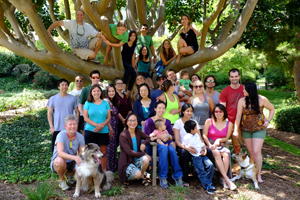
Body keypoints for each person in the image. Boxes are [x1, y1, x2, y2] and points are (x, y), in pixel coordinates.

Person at [234, 82, 275, 183]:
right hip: (246, 129)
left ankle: (259, 175)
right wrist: (235, 129)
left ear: (250, 90)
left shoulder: (262, 99)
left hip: (259, 129)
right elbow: (238, 116)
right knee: (251, 152)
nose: (243, 91)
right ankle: (252, 173)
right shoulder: (242, 101)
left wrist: (268, 121)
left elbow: (272, 109)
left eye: (245, 89)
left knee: (256, 152)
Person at [144, 101, 183, 188]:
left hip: (166, 143)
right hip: (154, 145)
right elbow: (147, 137)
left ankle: (177, 176)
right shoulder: (150, 121)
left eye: (163, 108)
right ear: (155, 109)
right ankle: (163, 177)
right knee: (164, 148)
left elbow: (170, 136)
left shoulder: (168, 122)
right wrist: (158, 138)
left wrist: (167, 136)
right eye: (159, 108)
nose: (161, 110)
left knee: (172, 149)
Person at [173, 103, 214, 186]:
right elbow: (177, 141)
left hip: (196, 145)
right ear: (183, 112)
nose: (189, 113)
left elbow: (199, 137)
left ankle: (208, 177)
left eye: (191, 111)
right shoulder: (178, 122)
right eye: (187, 111)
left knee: (209, 151)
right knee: (184, 153)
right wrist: (186, 147)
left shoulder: (194, 122)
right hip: (183, 146)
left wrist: (204, 147)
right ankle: (185, 179)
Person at [203, 104, 237, 190]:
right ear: (214, 113)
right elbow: (204, 135)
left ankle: (223, 178)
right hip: (209, 144)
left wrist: (219, 140)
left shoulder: (229, 124)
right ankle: (227, 180)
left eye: (220, 111)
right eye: (216, 111)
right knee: (216, 153)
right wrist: (209, 145)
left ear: (224, 112)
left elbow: (226, 138)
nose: (218, 113)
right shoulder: (209, 121)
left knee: (227, 153)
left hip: (220, 144)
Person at [50, 115, 85, 190]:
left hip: (71, 161)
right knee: (60, 160)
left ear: (77, 125)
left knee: (83, 163)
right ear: (65, 126)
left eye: (74, 124)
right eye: (70, 124)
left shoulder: (80, 137)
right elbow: (60, 153)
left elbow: (82, 153)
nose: (73, 126)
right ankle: (62, 181)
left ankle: (69, 177)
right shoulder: (61, 135)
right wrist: (75, 157)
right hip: (58, 162)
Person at [83, 85, 111, 172]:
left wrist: (101, 126)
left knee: (103, 153)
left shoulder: (105, 103)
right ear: (91, 93)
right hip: (90, 131)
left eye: (98, 91)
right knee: (90, 154)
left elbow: (109, 117)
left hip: (103, 131)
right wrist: (96, 125)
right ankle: (91, 173)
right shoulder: (87, 103)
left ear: (101, 92)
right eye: (94, 91)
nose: (96, 93)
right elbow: (85, 118)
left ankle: (104, 173)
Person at [118, 113, 151, 186]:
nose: (132, 123)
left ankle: (142, 176)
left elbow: (148, 138)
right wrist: (144, 154)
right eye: (130, 120)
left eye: (134, 120)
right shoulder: (123, 135)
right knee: (138, 173)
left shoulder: (137, 131)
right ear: (126, 122)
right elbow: (129, 152)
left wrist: (144, 143)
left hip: (136, 161)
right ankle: (142, 176)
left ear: (137, 122)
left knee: (146, 159)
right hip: (126, 163)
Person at [183, 120, 215, 194]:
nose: (197, 129)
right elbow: (184, 145)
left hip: (202, 154)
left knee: (210, 165)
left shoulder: (197, 135)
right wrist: (187, 147)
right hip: (196, 157)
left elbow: (200, 143)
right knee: (201, 171)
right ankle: (207, 185)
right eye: (195, 128)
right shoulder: (187, 137)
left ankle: (209, 182)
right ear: (191, 130)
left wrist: (203, 149)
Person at [47, 79, 79, 152]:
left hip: (70, 129)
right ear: (58, 87)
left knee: (70, 150)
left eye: (66, 85)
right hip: (57, 129)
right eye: (62, 85)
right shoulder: (53, 99)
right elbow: (49, 113)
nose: (65, 86)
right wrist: (51, 127)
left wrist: (76, 125)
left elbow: (77, 112)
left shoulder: (73, 98)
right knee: (56, 151)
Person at [219, 68, 244, 154]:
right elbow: (222, 109)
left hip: (242, 121)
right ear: (229, 78)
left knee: (237, 146)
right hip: (228, 121)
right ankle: (223, 165)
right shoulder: (225, 91)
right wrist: (224, 121)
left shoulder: (245, 90)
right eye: (232, 77)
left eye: (236, 76)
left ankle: (238, 165)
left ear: (239, 77)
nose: (234, 78)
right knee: (221, 144)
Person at [105, 84, 122, 172]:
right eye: (109, 91)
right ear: (107, 92)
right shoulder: (106, 101)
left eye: (113, 91)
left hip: (115, 128)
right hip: (109, 127)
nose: (111, 93)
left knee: (113, 148)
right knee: (109, 148)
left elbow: (117, 113)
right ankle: (108, 168)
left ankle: (113, 167)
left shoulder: (113, 101)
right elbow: (105, 116)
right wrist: (110, 129)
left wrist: (123, 120)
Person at [115, 78, 132, 146]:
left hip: (127, 122)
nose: (120, 85)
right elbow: (115, 110)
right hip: (117, 122)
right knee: (116, 141)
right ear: (115, 86)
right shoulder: (114, 96)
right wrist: (122, 120)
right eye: (118, 83)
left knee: (126, 141)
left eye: (121, 83)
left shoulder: (126, 96)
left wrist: (128, 119)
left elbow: (130, 108)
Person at [121, 30, 138, 96]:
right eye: (131, 35)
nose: (133, 37)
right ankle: (124, 87)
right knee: (129, 67)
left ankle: (128, 92)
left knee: (134, 73)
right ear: (129, 36)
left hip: (128, 64)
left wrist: (133, 67)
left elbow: (133, 57)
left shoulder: (134, 45)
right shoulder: (124, 43)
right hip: (121, 62)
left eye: (134, 36)